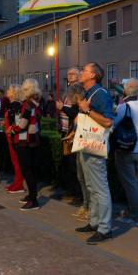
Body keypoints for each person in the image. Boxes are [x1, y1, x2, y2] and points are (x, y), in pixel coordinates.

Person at [74, 62, 114, 244]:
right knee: (91, 187)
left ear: (93, 75)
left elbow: (107, 122)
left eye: (84, 70)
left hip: (95, 147)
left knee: (100, 188)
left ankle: (105, 228)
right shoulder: (90, 93)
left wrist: (87, 110)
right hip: (87, 144)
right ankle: (95, 222)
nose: (81, 72)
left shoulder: (101, 95)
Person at [113, 78, 138, 228]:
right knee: (133, 183)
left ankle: (137, 217)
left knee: (131, 186)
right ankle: (132, 212)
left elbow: (113, 124)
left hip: (125, 150)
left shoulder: (125, 107)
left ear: (125, 91)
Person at [57, 67, 88, 218]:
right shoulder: (67, 90)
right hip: (65, 129)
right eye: (68, 74)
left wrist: (62, 108)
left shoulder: (79, 91)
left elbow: (76, 113)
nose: (69, 76)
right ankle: (71, 191)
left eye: (72, 74)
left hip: (73, 131)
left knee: (74, 164)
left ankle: (78, 196)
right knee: (67, 163)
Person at [10, 79, 43, 210]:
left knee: (27, 170)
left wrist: (13, 129)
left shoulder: (29, 104)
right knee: (30, 170)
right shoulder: (36, 102)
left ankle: (33, 200)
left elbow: (23, 124)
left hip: (26, 140)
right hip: (33, 139)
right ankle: (31, 196)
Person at [4, 84, 24, 193]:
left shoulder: (16, 106)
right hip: (11, 136)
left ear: (14, 93)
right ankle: (17, 182)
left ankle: (19, 184)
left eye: (9, 90)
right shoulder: (12, 105)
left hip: (14, 137)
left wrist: (11, 129)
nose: (7, 91)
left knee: (17, 161)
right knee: (15, 161)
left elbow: (18, 122)